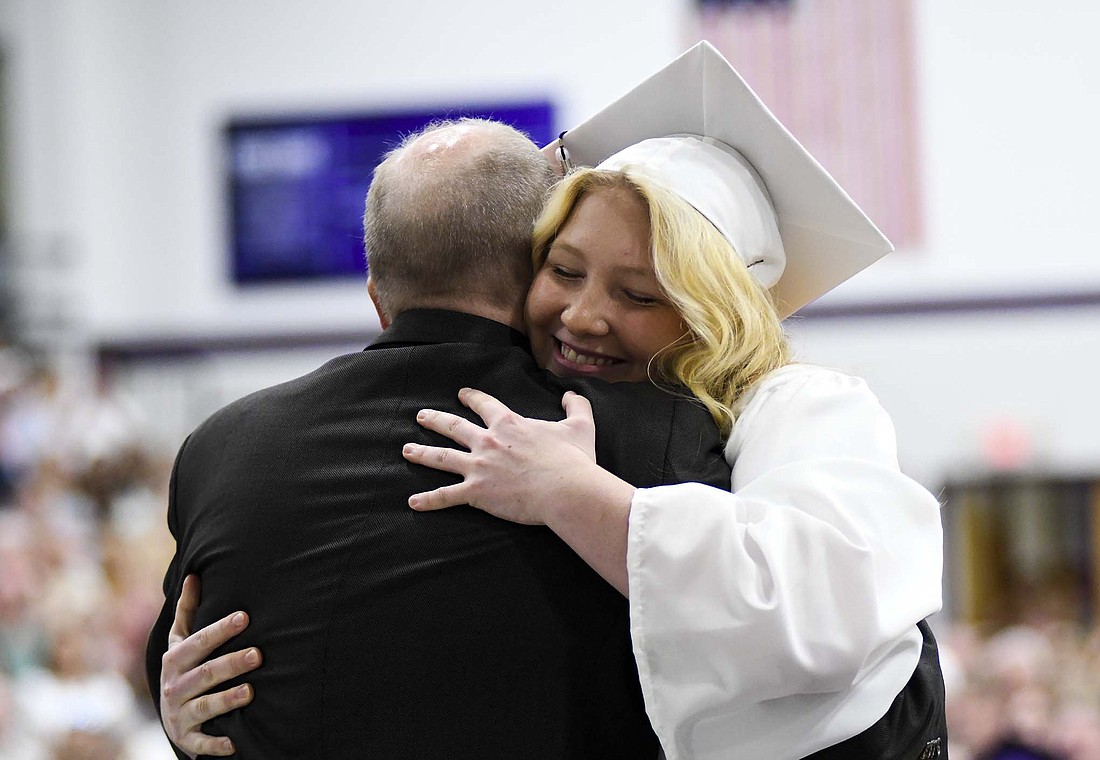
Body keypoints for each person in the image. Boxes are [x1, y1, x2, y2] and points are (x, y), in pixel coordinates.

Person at [159, 42, 948, 759]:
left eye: (637, 292)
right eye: (564, 270)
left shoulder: (794, 408)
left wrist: (575, 493)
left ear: (717, 310)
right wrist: (180, 705)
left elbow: (821, 616)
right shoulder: (575, 417)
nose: (582, 315)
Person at [145, 117, 731, 760]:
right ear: (539, 273)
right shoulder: (647, 433)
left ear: (377, 297)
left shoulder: (217, 449)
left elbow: (188, 679)